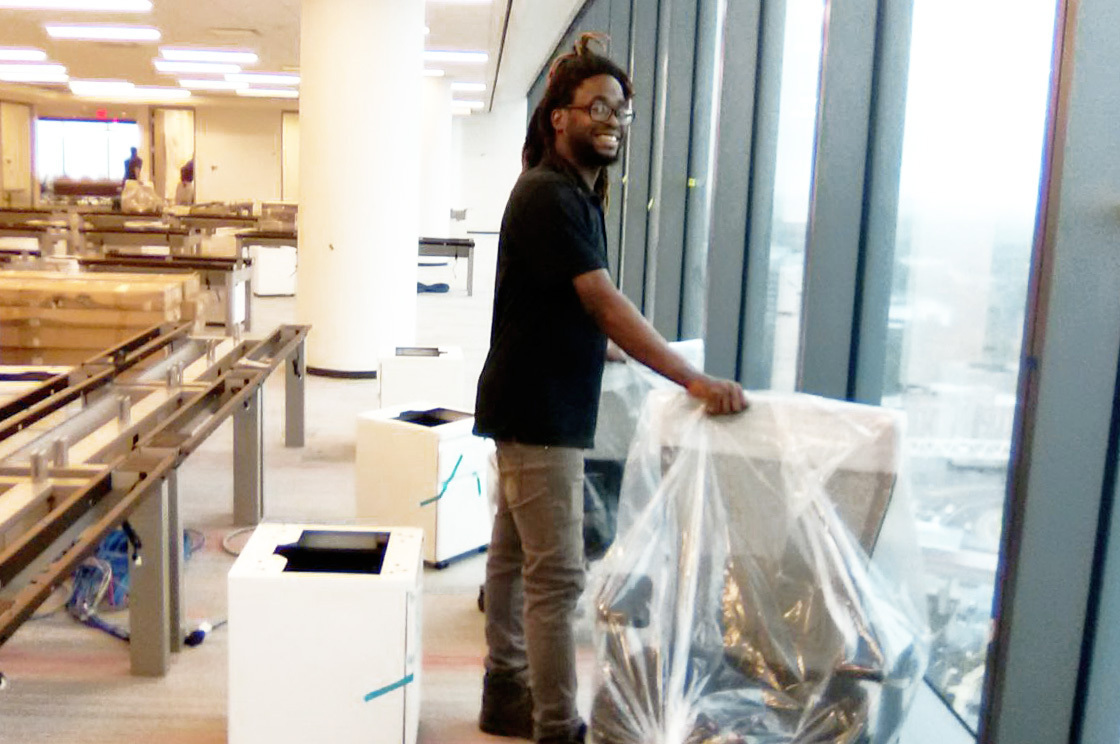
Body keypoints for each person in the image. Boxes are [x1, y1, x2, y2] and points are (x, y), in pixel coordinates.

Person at [473, 33, 747, 744]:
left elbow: (570, 305)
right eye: (597, 107)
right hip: (540, 414)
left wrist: (614, 356)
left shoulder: (567, 193)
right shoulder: (551, 196)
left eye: (622, 111)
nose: (612, 121)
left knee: (511, 560)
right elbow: (602, 301)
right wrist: (692, 377)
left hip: (529, 402)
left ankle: (505, 695)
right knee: (556, 580)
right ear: (558, 116)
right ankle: (556, 726)